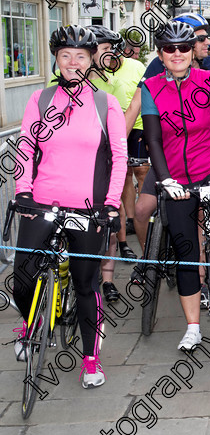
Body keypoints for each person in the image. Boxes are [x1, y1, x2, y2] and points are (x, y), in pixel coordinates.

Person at [13, 25, 127, 388]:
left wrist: (110, 205)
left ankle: (91, 359)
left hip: (89, 208)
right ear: (57, 60)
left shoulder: (103, 102)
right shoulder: (41, 100)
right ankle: (30, 323)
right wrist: (23, 191)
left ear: (91, 59)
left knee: (84, 282)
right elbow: (26, 148)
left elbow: (120, 157)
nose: (73, 62)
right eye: (66, 55)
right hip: (43, 201)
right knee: (23, 275)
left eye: (80, 56)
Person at [140, 20, 210, 352]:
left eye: (184, 48)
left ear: (192, 52)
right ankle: (193, 327)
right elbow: (153, 139)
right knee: (186, 251)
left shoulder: (209, 80)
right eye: (170, 49)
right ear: (161, 55)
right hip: (176, 175)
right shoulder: (151, 88)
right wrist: (165, 180)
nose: (177, 54)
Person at [87, 26, 145, 304]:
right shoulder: (62, 80)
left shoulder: (112, 80)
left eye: (113, 48)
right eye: (105, 48)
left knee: (114, 209)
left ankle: (108, 280)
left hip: (112, 150)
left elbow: (124, 115)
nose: (111, 53)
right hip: (78, 160)